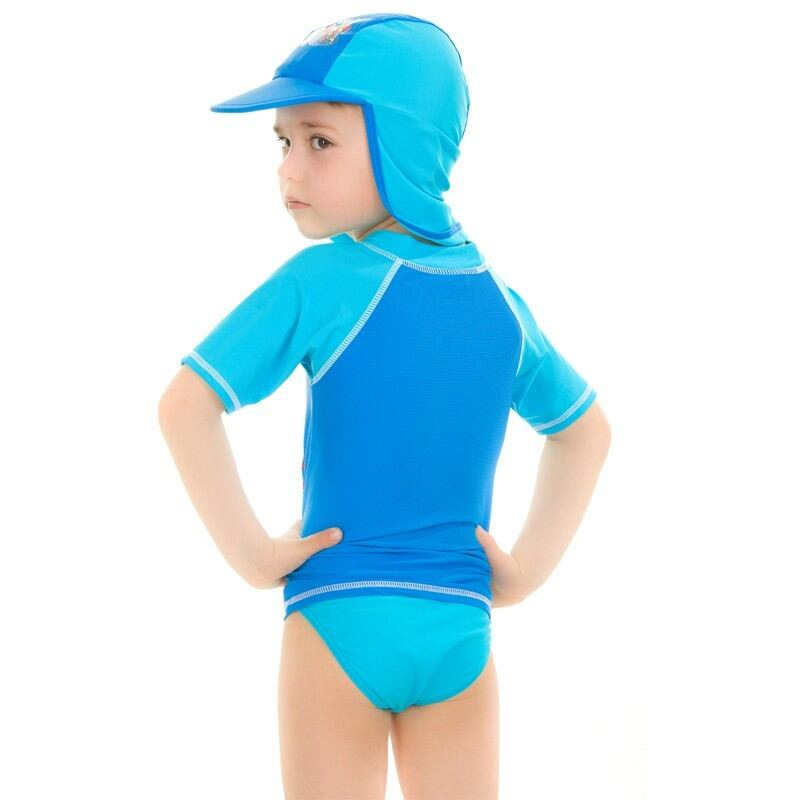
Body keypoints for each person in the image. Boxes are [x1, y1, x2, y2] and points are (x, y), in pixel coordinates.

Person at [158, 13, 611, 799]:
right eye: (283, 141)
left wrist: (256, 557)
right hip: (461, 629)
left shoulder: (324, 279)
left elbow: (184, 405)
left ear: (402, 144)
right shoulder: (500, 304)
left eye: (319, 141)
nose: (289, 168)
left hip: (338, 618)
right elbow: (585, 432)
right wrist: (523, 573)